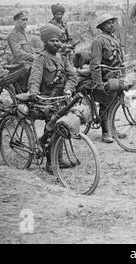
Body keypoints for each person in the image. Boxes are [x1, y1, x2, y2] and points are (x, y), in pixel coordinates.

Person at [27, 23, 78, 173]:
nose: (56, 44)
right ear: (45, 41)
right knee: (52, 126)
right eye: (52, 41)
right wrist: (34, 92)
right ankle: (51, 162)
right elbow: (35, 78)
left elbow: (72, 76)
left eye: (58, 40)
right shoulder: (40, 59)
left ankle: (59, 158)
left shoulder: (63, 58)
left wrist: (69, 89)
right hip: (47, 100)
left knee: (63, 126)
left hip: (62, 98)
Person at [89, 13, 125, 143]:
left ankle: (113, 129)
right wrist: (98, 83)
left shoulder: (114, 39)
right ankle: (105, 132)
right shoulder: (98, 41)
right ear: (102, 26)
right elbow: (95, 64)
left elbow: (121, 59)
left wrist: (123, 75)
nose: (111, 25)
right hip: (105, 78)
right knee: (105, 104)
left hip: (116, 76)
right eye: (108, 23)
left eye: (112, 22)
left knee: (115, 103)